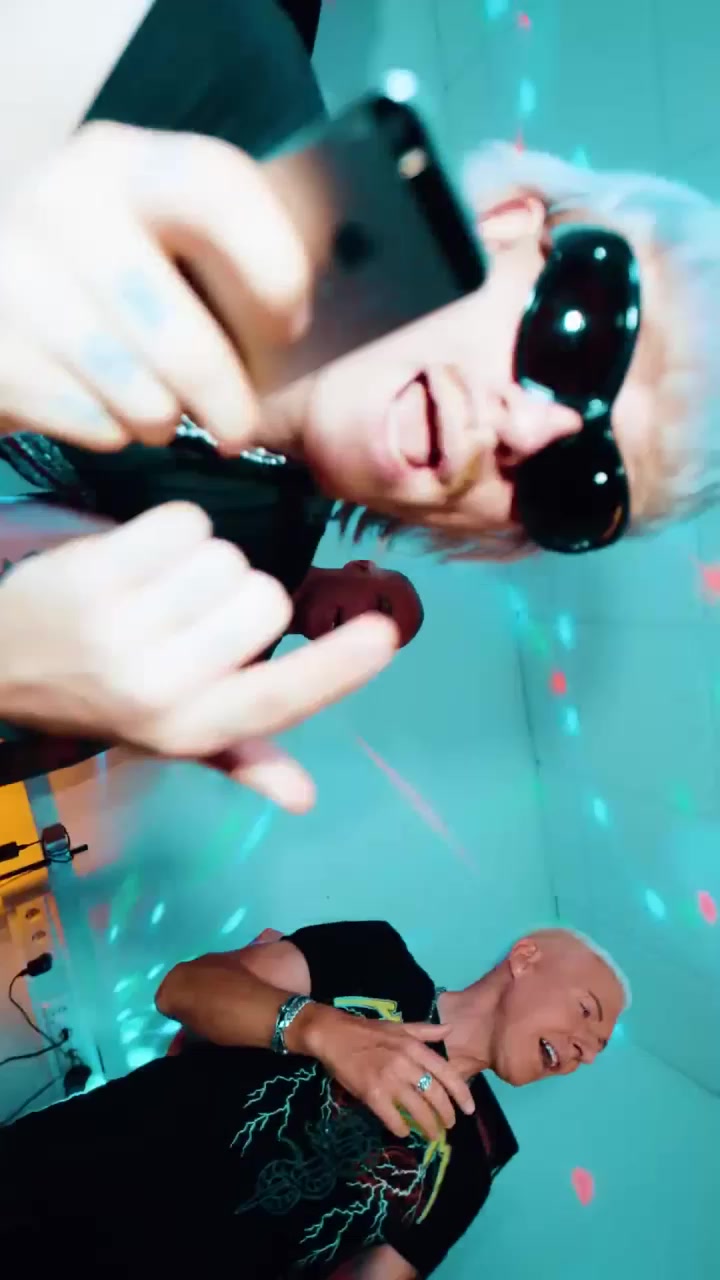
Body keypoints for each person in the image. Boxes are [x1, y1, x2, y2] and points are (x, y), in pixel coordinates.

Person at [0, 0, 718, 808]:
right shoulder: (199, 49)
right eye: (573, 334)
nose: (526, 428)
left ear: (502, 537)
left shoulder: (226, 592)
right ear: (505, 222)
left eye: (577, 487)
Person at [0, 918, 628, 1277]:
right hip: (61, 1175)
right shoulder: (377, 959)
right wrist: (319, 1029)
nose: (586, 1050)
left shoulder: (469, 1171)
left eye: (598, 1047)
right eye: (586, 1011)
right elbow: (182, 988)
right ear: (526, 958)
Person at [0, 549, 423, 787]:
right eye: (379, 607)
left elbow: (75, 743)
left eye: (375, 638)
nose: (360, 627)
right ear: (360, 568)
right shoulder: (260, 526)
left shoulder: (241, 685)